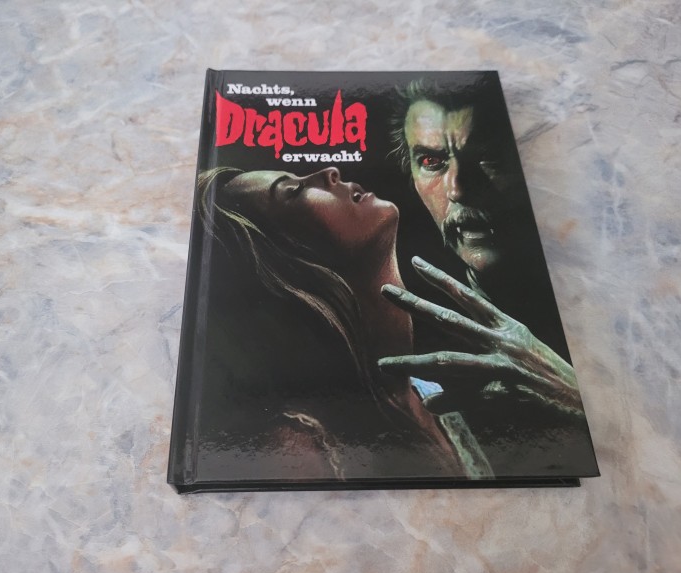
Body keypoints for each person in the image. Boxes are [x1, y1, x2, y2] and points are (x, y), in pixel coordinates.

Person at [197, 166, 484, 481]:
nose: (329, 172)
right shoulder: (298, 448)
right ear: (286, 263)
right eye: (293, 191)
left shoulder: (428, 392)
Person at [379, 75, 586, 419]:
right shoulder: (410, 342)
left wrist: (568, 393)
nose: (457, 189)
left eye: (488, 156)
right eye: (431, 162)